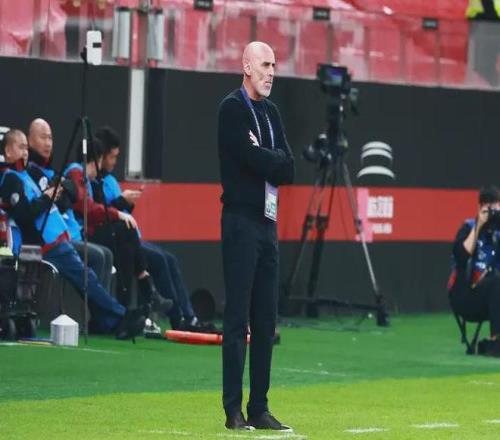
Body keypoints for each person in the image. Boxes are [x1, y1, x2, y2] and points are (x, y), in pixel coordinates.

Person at [0, 129, 144, 339]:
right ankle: (120, 317)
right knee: (87, 278)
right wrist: (47, 197)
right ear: (7, 151)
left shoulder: (25, 175)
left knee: (88, 276)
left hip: (56, 239)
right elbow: (24, 214)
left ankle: (109, 320)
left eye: (26, 148)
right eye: (20, 147)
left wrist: (52, 194)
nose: (25, 152)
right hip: (43, 245)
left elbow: (61, 197)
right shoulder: (10, 179)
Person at [217, 41, 295, 431]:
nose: (271, 73)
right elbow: (250, 158)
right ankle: (233, 409)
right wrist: (269, 157)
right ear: (247, 66)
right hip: (240, 221)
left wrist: (267, 156)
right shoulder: (232, 109)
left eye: (274, 66)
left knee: (265, 320)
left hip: (267, 223)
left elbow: (288, 167)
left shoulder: (271, 112)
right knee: (237, 318)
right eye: (265, 65)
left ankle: (259, 407)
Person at [94, 126, 208, 331]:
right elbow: (100, 213)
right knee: (160, 260)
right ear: (101, 155)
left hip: (131, 237)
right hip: (119, 240)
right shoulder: (94, 181)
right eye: (112, 157)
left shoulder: (109, 180)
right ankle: (177, 319)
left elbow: (117, 210)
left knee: (170, 259)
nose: (114, 162)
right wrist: (122, 201)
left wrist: (127, 202)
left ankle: (189, 316)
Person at [63, 138, 172, 316]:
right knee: (125, 231)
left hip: (88, 230)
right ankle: (141, 292)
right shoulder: (76, 173)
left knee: (125, 243)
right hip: (80, 233)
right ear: (96, 160)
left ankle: (129, 304)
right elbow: (87, 209)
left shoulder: (87, 179)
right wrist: (118, 213)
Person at [26, 118, 114, 293]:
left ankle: (101, 307)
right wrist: (60, 193)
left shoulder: (53, 173)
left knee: (107, 253)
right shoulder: (32, 172)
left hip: (71, 235)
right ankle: (98, 307)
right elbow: (70, 202)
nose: (48, 143)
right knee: (98, 256)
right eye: (43, 137)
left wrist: (62, 193)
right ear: (30, 140)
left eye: (50, 138)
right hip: (55, 241)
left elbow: (68, 200)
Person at [448, 185, 500, 356]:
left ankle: (489, 345)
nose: (492, 213)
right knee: (497, 283)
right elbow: (461, 257)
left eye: (496, 207)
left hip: (491, 299)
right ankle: (496, 341)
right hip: (464, 296)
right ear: (480, 207)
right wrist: (479, 225)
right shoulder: (468, 227)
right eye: (488, 208)